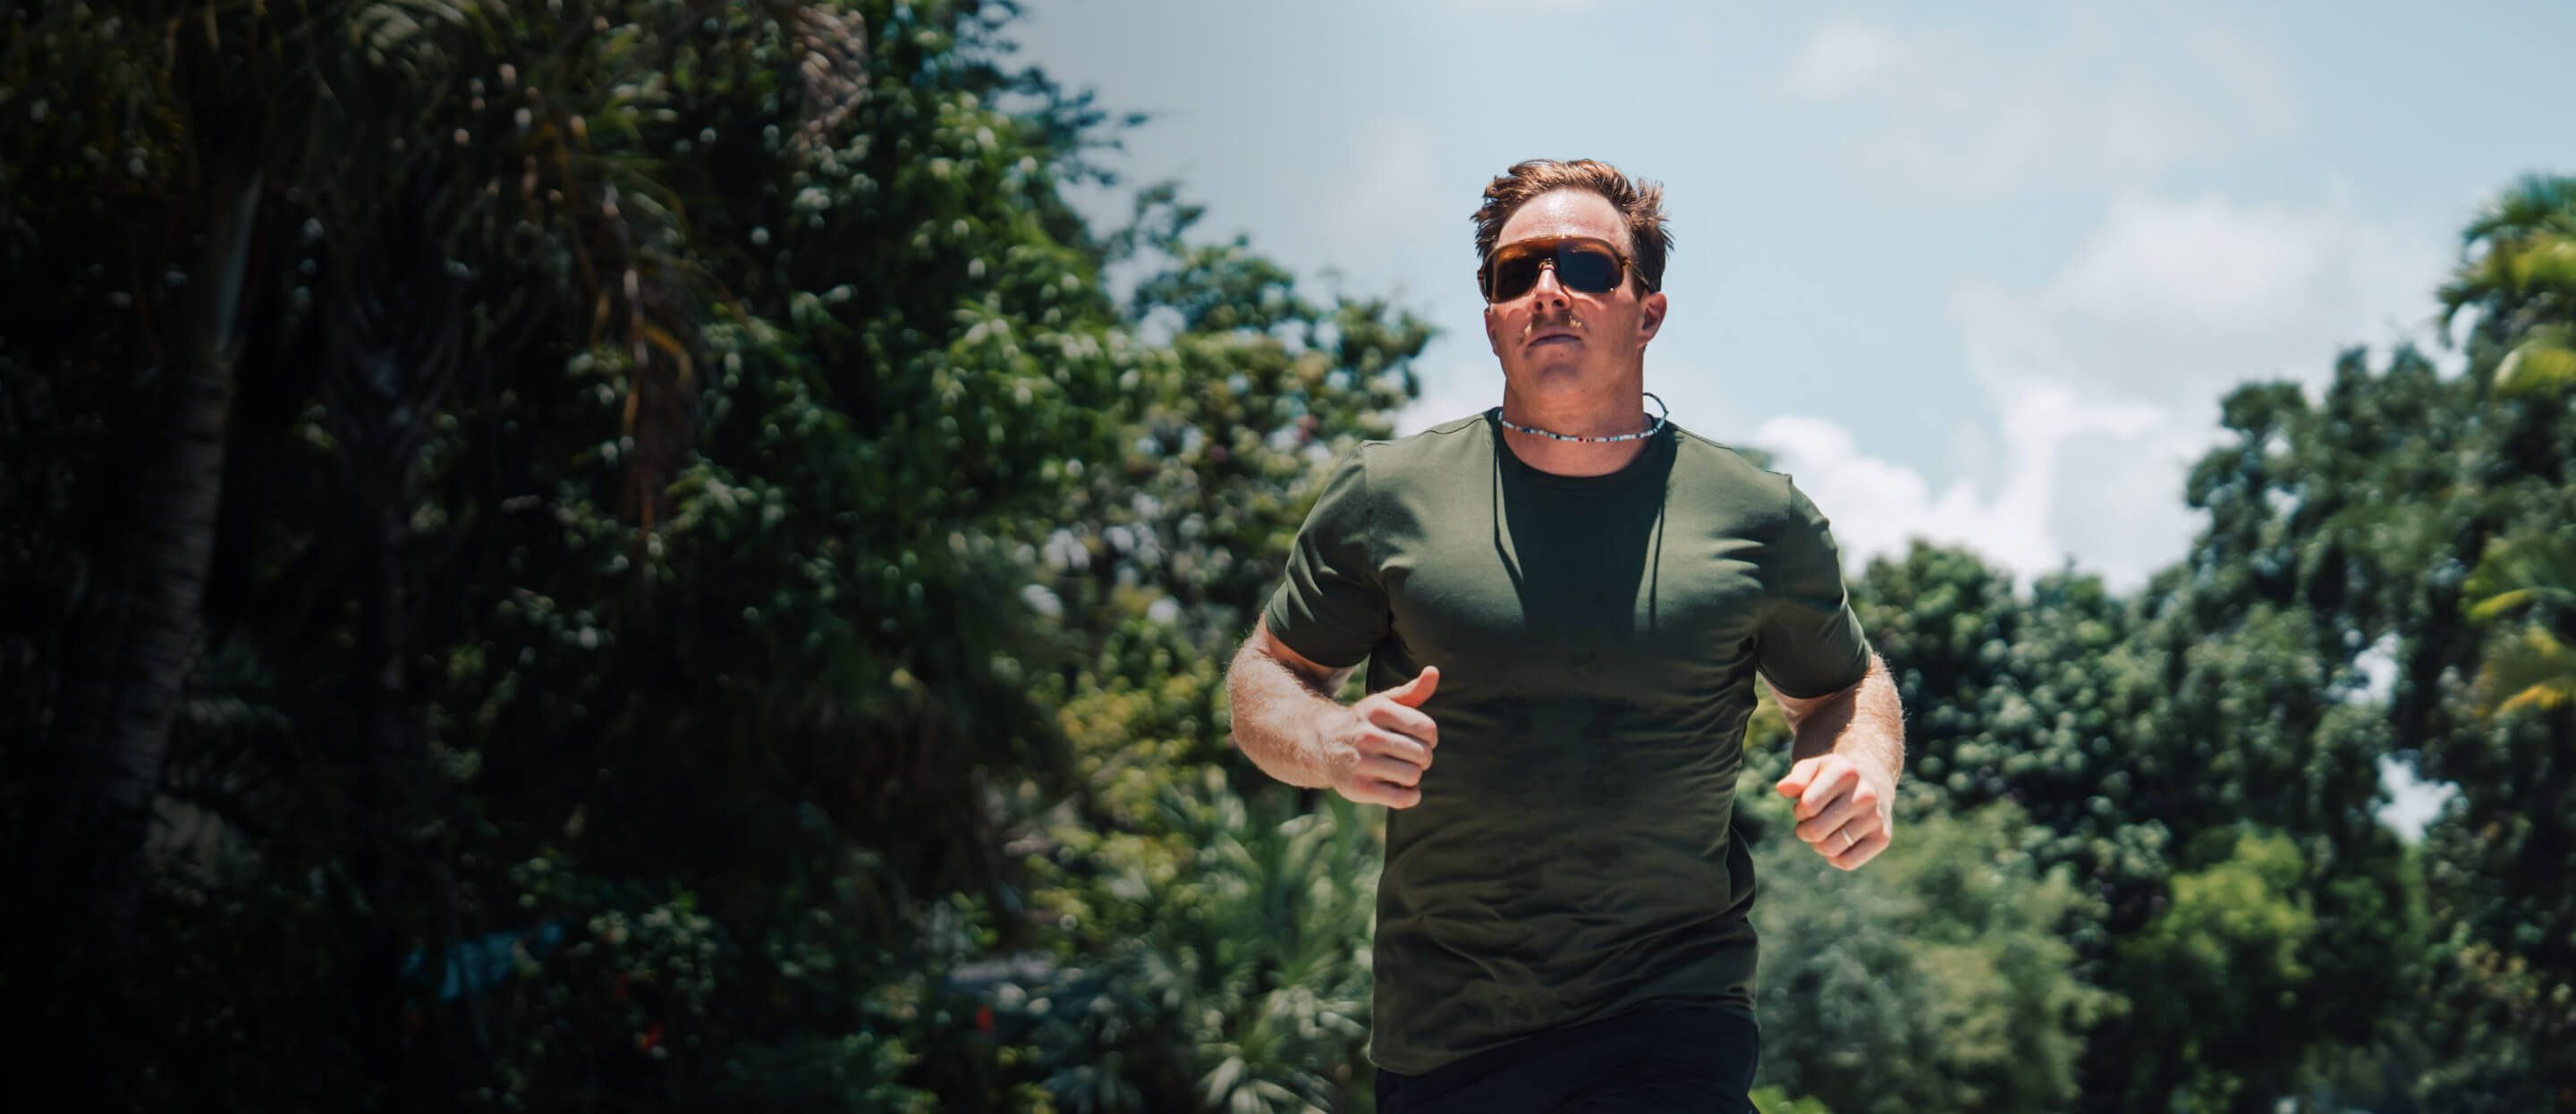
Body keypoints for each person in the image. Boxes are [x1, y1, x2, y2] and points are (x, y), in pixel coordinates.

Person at [1224, 158, 1905, 1112]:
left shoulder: (1759, 518)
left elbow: (1842, 685)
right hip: (1447, 1035)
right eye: (1517, 273)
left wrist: (1860, 766)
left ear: (1648, 311)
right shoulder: (1387, 497)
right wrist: (1329, 742)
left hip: (1672, 1015)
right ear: (1493, 310)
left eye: (1587, 267)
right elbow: (1270, 676)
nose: (1548, 291)